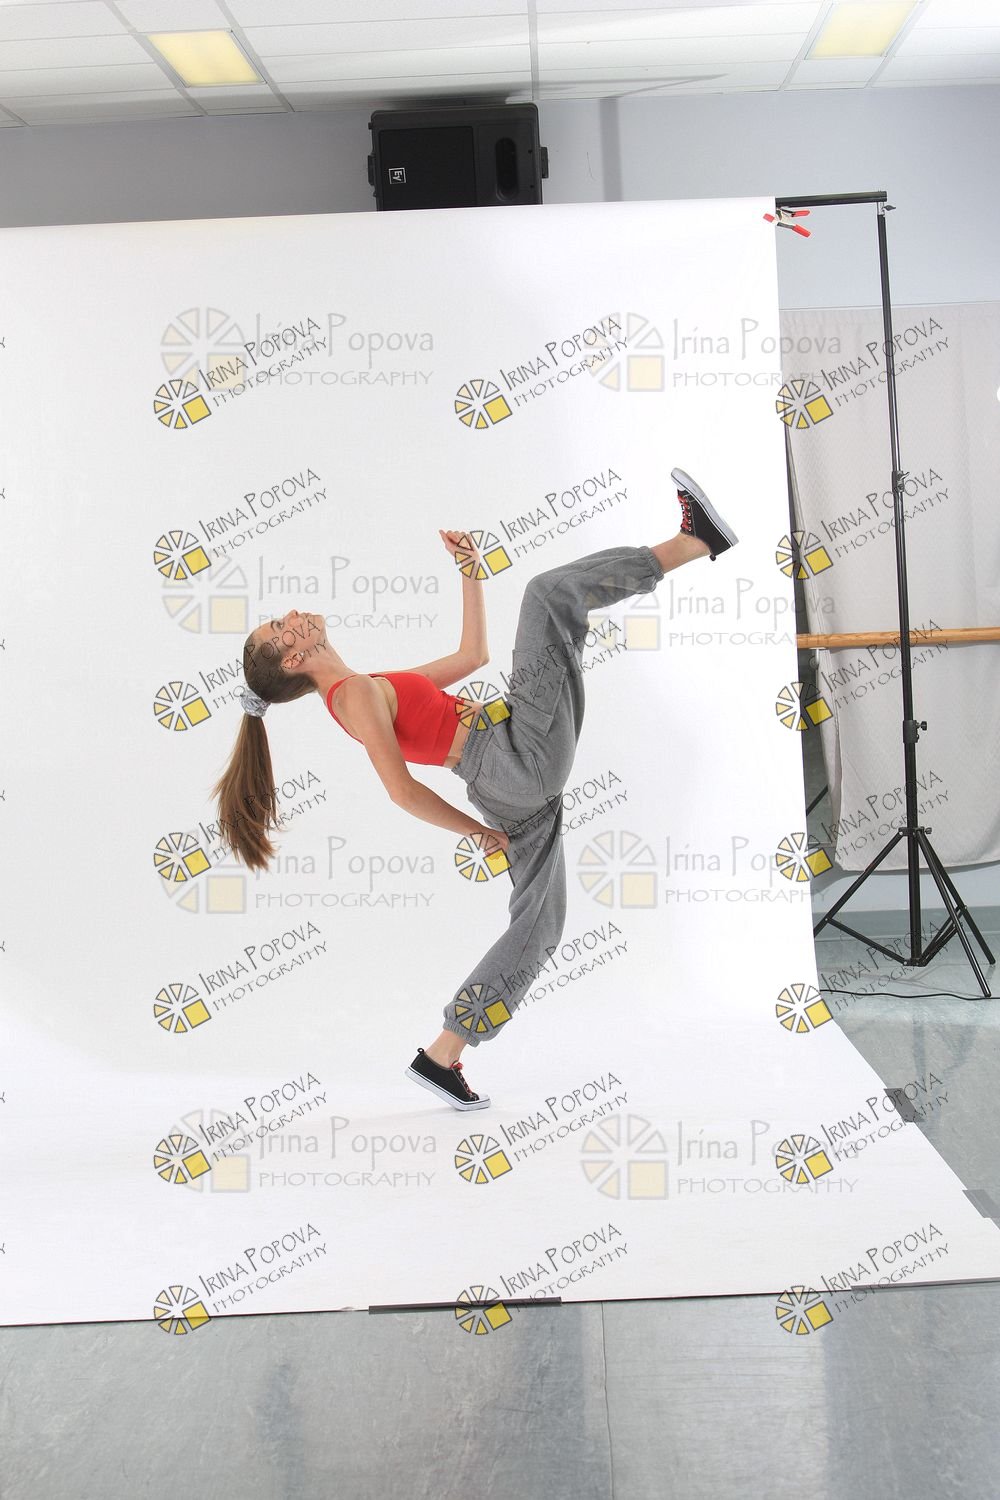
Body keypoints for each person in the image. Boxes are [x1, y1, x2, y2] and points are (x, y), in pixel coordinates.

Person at [212, 468, 738, 1112]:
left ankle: (442, 1053)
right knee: (549, 595)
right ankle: (693, 542)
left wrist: (470, 573)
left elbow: (471, 658)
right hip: (511, 761)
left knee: (539, 923)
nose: (291, 614)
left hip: (507, 772)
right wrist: (476, 832)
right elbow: (400, 790)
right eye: (279, 625)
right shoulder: (352, 696)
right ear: (294, 660)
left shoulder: (365, 685)